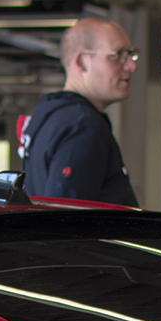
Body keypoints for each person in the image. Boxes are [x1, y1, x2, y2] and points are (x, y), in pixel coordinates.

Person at [17, 16, 139, 205]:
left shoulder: (52, 118)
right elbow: (64, 220)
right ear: (82, 62)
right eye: (118, 55)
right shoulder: (83, 126)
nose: (131, 65)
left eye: (131, 55)